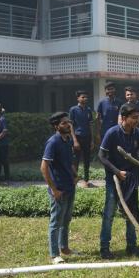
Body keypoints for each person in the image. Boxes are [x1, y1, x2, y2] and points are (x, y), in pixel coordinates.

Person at [98, 104, 139, 259]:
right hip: (114, 180)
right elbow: (102, 156)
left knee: (131, 213)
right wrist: (116, 172)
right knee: (109, 213)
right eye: (134, 118)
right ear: (124, 118)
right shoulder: (112, 133)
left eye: (138, 117)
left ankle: (132, 246)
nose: (137, 120)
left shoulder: (138, 134)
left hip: (131, 179)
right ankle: (104, 247)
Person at [40, 112, 79, 264]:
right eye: (63, 123)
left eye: (68, 122)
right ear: (56, 126)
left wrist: (75, 176)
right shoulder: (53, 142)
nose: (68, 125)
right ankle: (54, 254)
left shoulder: (68, 140)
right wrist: (54, 189)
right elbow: (44, 167)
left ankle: (65, 248)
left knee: (66, 219)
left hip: (69, 186)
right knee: (56, 221)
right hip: (59, 189)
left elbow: (68, 162)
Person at [69, 90, 94, 188]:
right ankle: (73, 180)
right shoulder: (73, 109)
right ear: (78, 98)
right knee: (76, 160)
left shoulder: (88, 110)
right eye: (83, 97)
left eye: (86, 97)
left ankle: (86, 180)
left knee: (87, 160)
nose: (85, 99)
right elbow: (70, 125)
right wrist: (74, 140)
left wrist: (92, 140)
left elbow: (91, 125)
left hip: (87, 137)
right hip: (77, 137)